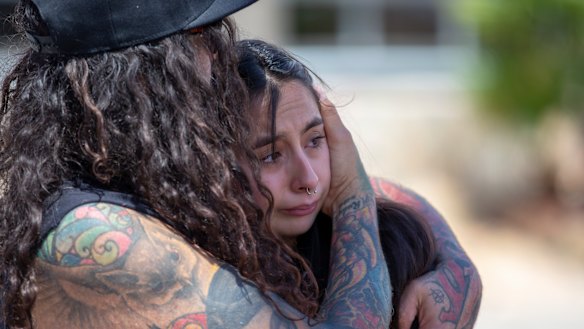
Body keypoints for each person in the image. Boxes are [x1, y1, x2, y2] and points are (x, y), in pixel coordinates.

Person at [0, 0, 392, 328]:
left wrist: (441, 256)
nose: (220, 54)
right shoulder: (93, 235)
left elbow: (395, 195)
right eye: (203, 35)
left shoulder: (148, 182)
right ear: (142, 73)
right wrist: (351, 198)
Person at [236, 39, 483, 329]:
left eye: (315, 140)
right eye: (271, 156)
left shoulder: (396, 246)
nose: (308, 179)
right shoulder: (199, 279)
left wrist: (456, 265)